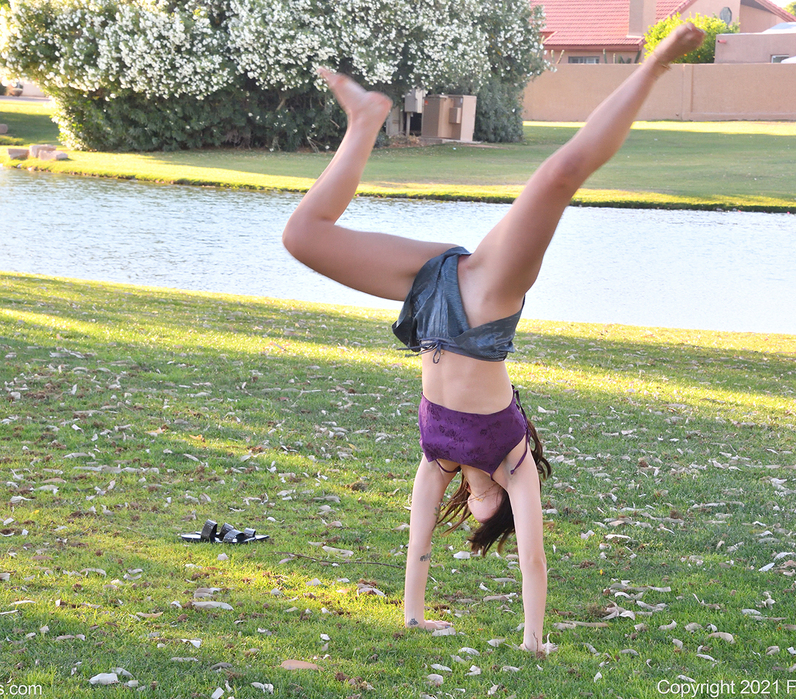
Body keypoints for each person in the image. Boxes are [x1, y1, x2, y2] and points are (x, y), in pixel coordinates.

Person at [282, 23, 706, 655]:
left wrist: (414, 618)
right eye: (486, 520)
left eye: (472, 515)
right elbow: (533, 560)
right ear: (501, 506)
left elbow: (418, 541)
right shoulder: (515, 464)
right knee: (560, 175)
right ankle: (657, 64)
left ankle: (366, 118)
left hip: (429, 297)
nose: (473, 514)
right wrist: (535, 640)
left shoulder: (439, 460)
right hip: (485, 303)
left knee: (301, 237)